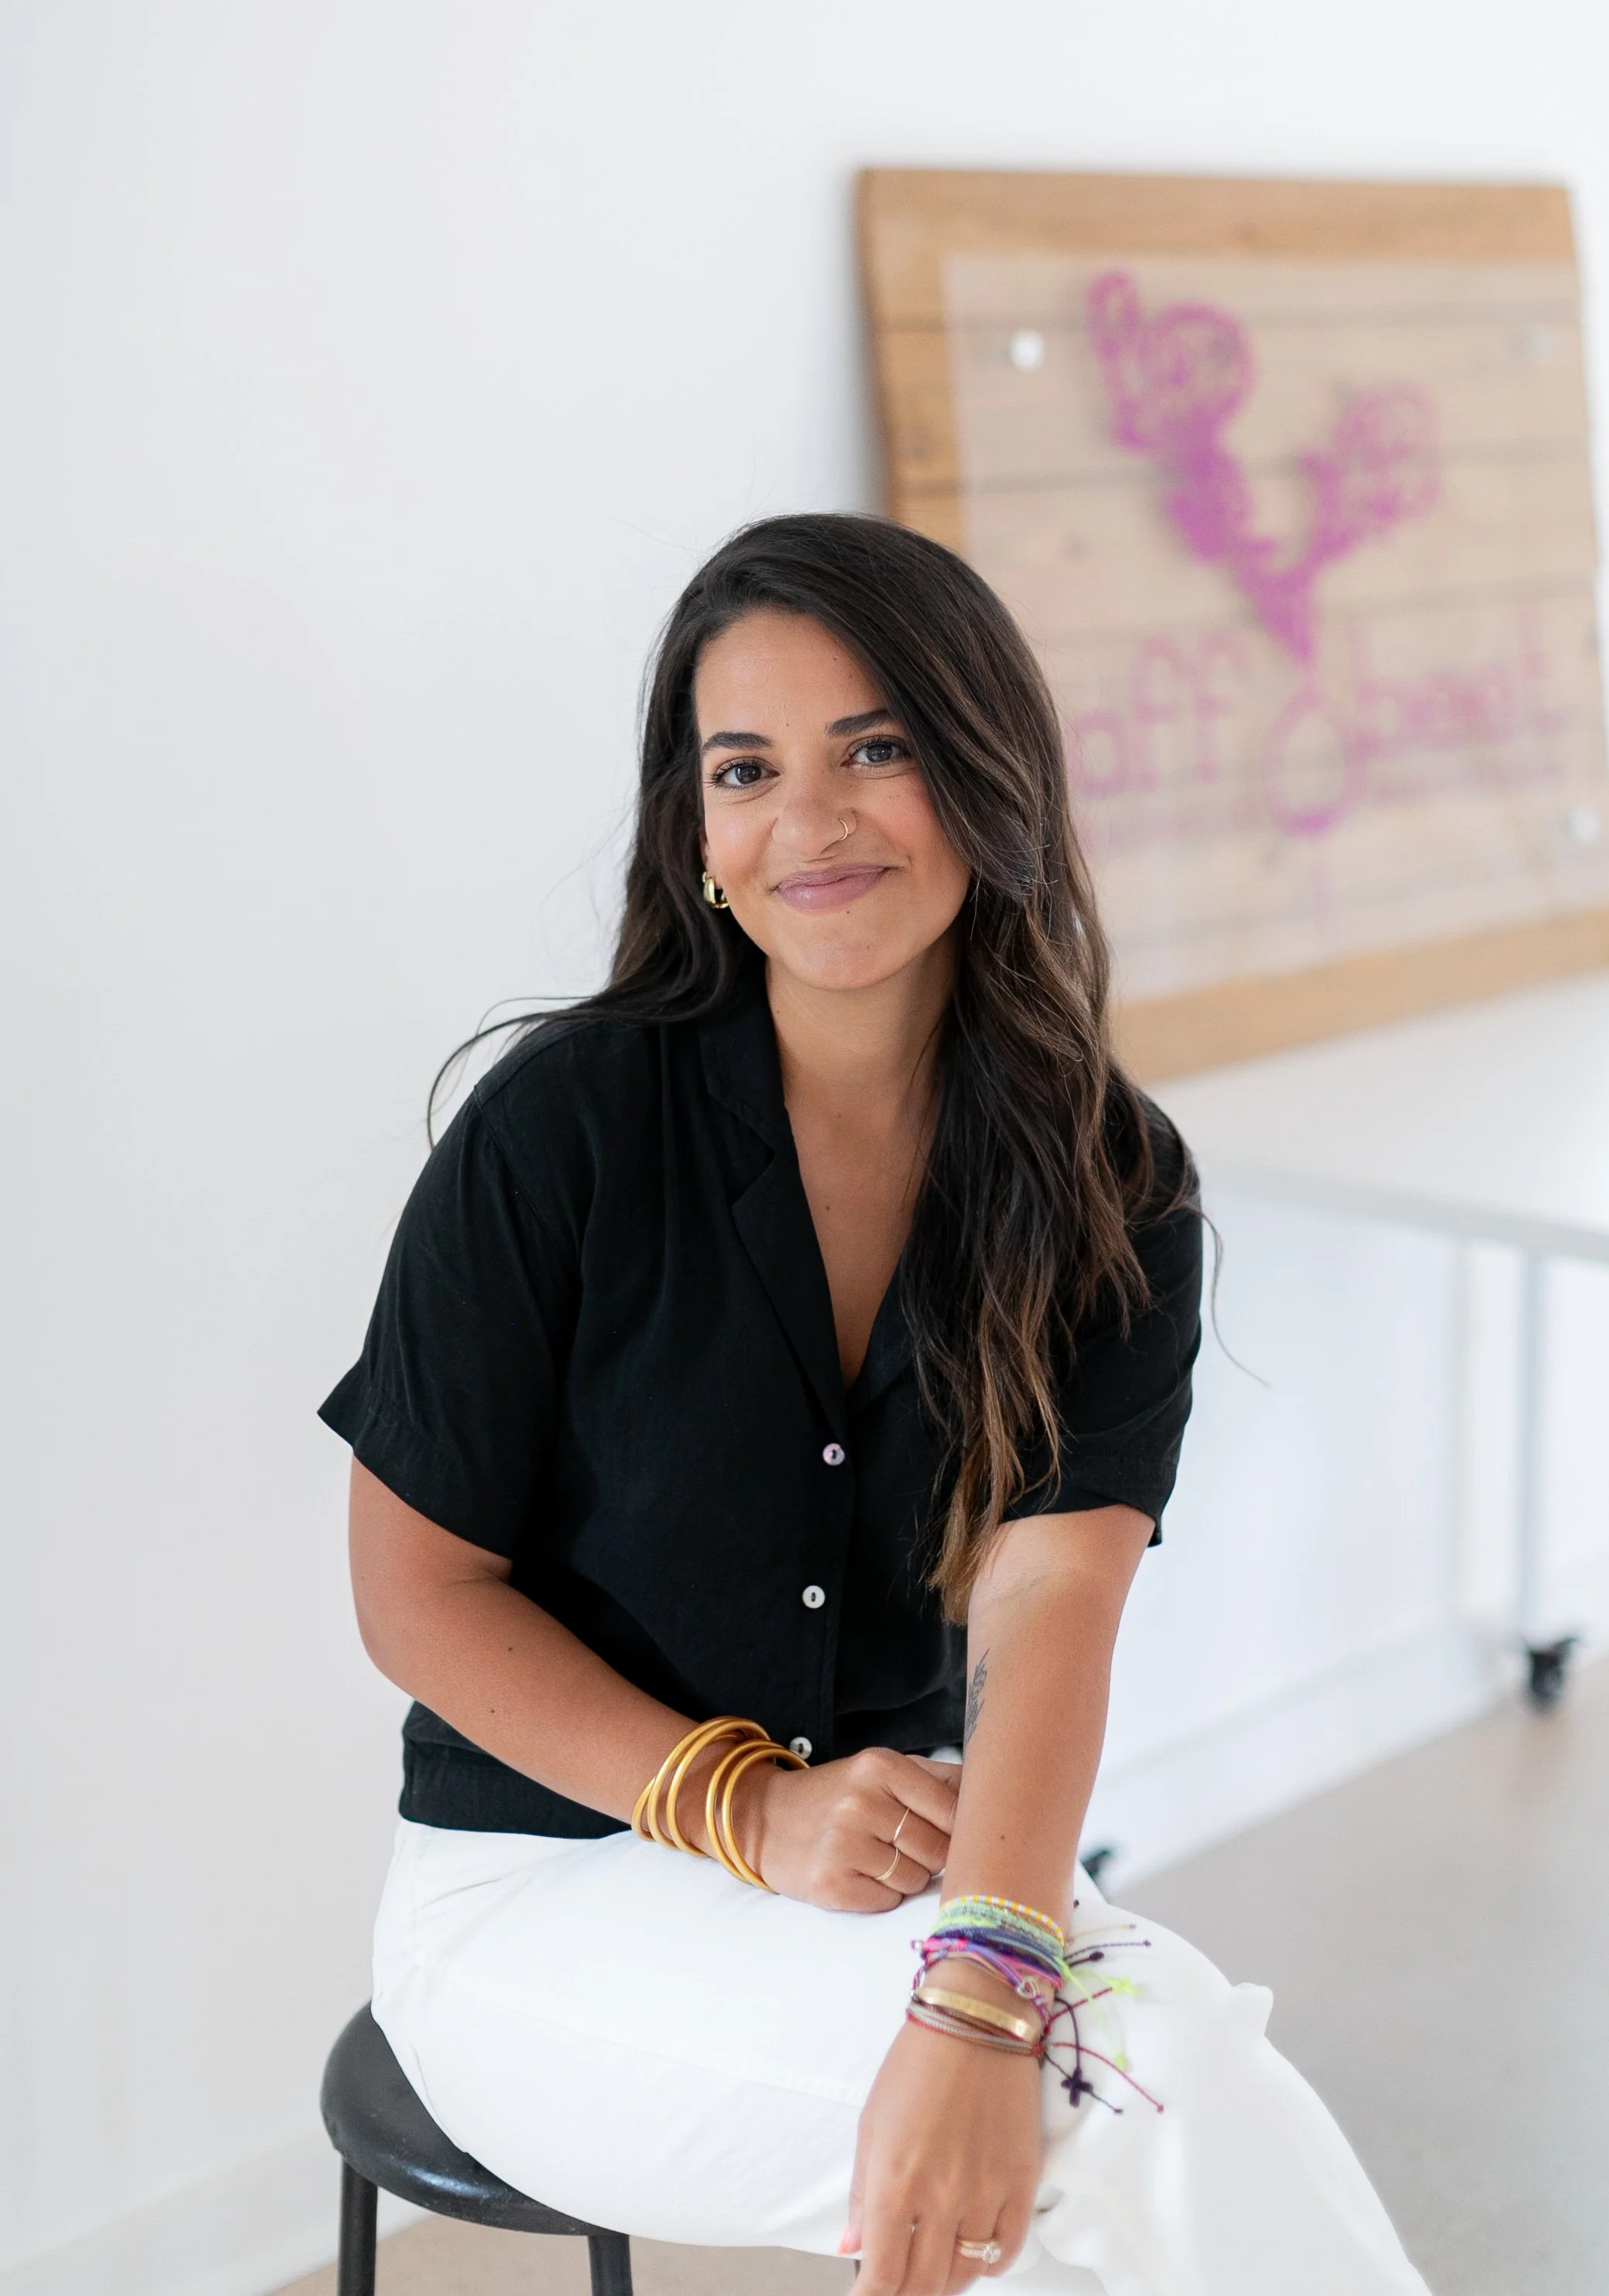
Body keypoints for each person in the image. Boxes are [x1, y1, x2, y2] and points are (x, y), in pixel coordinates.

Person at [321, 514, 1430, 2296]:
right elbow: (414, 1592)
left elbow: (1049, 1606)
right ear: (697, 838)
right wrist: (740, 1803)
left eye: (875, 749)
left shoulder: (1104, 1177)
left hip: (883, 1891)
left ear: (982, 777)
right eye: (744, 769)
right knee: (1131, 2108)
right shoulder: (562, 1130)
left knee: (1174, 2070)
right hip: (533, 1902)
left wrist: (986, 1985)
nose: (809, 821)